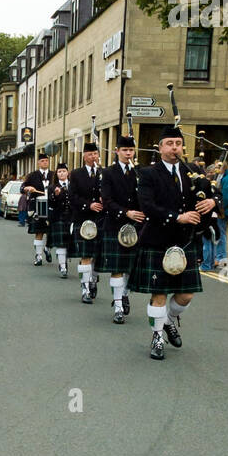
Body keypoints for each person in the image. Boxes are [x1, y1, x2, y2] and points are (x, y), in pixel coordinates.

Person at [128, 125, 216, 360]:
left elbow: (208, 194)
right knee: (159, 294)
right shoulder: (148, 174)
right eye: (169, 144)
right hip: (157, 240)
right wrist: (178, 217)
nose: (174, 148)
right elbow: (147, 206)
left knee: (186, 295)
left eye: (178, 143)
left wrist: (213, 203)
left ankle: (167, 319)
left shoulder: (193, 171)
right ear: (160, 148)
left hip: (185, 241)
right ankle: (157, 337)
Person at [95, 134, 145, 321]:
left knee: (130, 267)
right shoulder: (108, 173)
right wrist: (126, 212)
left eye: (131, 150)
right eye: (124, 150)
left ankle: (124, 294)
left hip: (136, 225)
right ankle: (117, 306)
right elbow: (107, 201)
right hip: (115, 223)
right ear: (117, 151)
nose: (128, 153)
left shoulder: (139, 172)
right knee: (117, 268)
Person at [68, 142, 103, 299]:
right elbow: (72, 196)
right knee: (86, 255)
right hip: (83, 218)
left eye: (95, 153)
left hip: (101, 219)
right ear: (84, 156)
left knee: (98, 255)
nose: (93, 156)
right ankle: (85, 289)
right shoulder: (76, 174)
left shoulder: (104, 173)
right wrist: (89, 205)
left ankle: (93, 279)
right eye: (90, 154)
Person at [22, 152, 54, 266]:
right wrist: (28, 188)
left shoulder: (53, 175)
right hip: (37, 206)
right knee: (39, 231)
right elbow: (22, 188)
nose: (45, 162)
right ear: (38, 163)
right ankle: (38, 256)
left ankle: (47, 248)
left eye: (46, 160)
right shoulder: (32, 175)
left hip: (52, 206)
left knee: (52, 232)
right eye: (42, 161)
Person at [48, 163, 74, 279]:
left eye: (64, 171)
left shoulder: (74, 185)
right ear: (56, 174)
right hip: (59, 217)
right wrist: (55, 195)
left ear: (67, 172)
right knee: (61, 244)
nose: (62, 173)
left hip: (73, 217)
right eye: (59, 171)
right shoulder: (52, 187)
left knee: (72, 243)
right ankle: (63, 266)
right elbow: (51, 202)